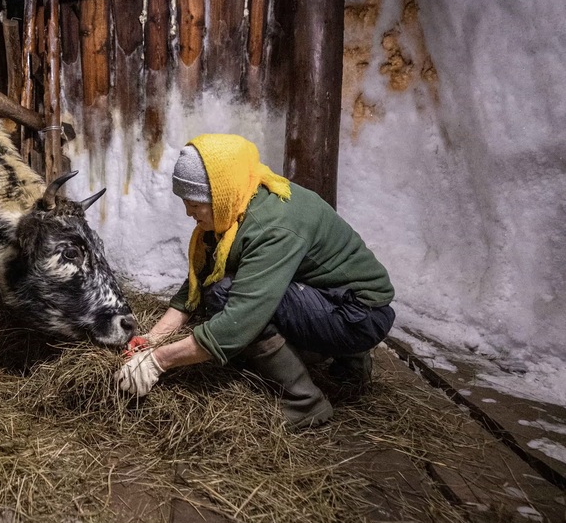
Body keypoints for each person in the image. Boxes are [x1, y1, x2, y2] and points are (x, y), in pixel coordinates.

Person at [116, 134, 395, 429]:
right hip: (333, 295)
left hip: (359, 315)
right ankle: (350, 363)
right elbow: (199, 278)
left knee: (225, 296)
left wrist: (158, 361)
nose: (189, 213)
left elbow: (240, 320)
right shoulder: (239, 201)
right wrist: (153, 338)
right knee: (224, 286)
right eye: (186, 202)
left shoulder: (270, 226)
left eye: (195, 203)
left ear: (219, 193)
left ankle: (306, 402)